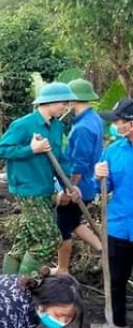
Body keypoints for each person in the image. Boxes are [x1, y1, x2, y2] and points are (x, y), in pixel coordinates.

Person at [0, 83, 77, 275]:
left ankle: (8, 282)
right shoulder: (24, 125)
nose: (66, 107)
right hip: (28, 190)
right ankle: (24, 285)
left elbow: (61, 159)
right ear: (50, 102)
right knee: (50, 239)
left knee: (25, 239)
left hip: (46, 188)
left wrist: (68, 185)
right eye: (64, 103)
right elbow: (0, 150)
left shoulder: (57, 126)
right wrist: (31, 149)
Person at [94, 97, 133, 328]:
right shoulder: (114, 151)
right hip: (118, 226)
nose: (116, 125)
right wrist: (99, 178)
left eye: (119, 120)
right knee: (116, 280)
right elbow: (104, 187)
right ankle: (117, 327)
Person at [54, 79, 104, 274]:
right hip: (89, 184)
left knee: (62, 228)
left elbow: (79, 164)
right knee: (74, 222)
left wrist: (69, 188)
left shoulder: (82, 128)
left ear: (73, 100)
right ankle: (102, 249)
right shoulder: (95, 119)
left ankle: (62, 269)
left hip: (79, 185)